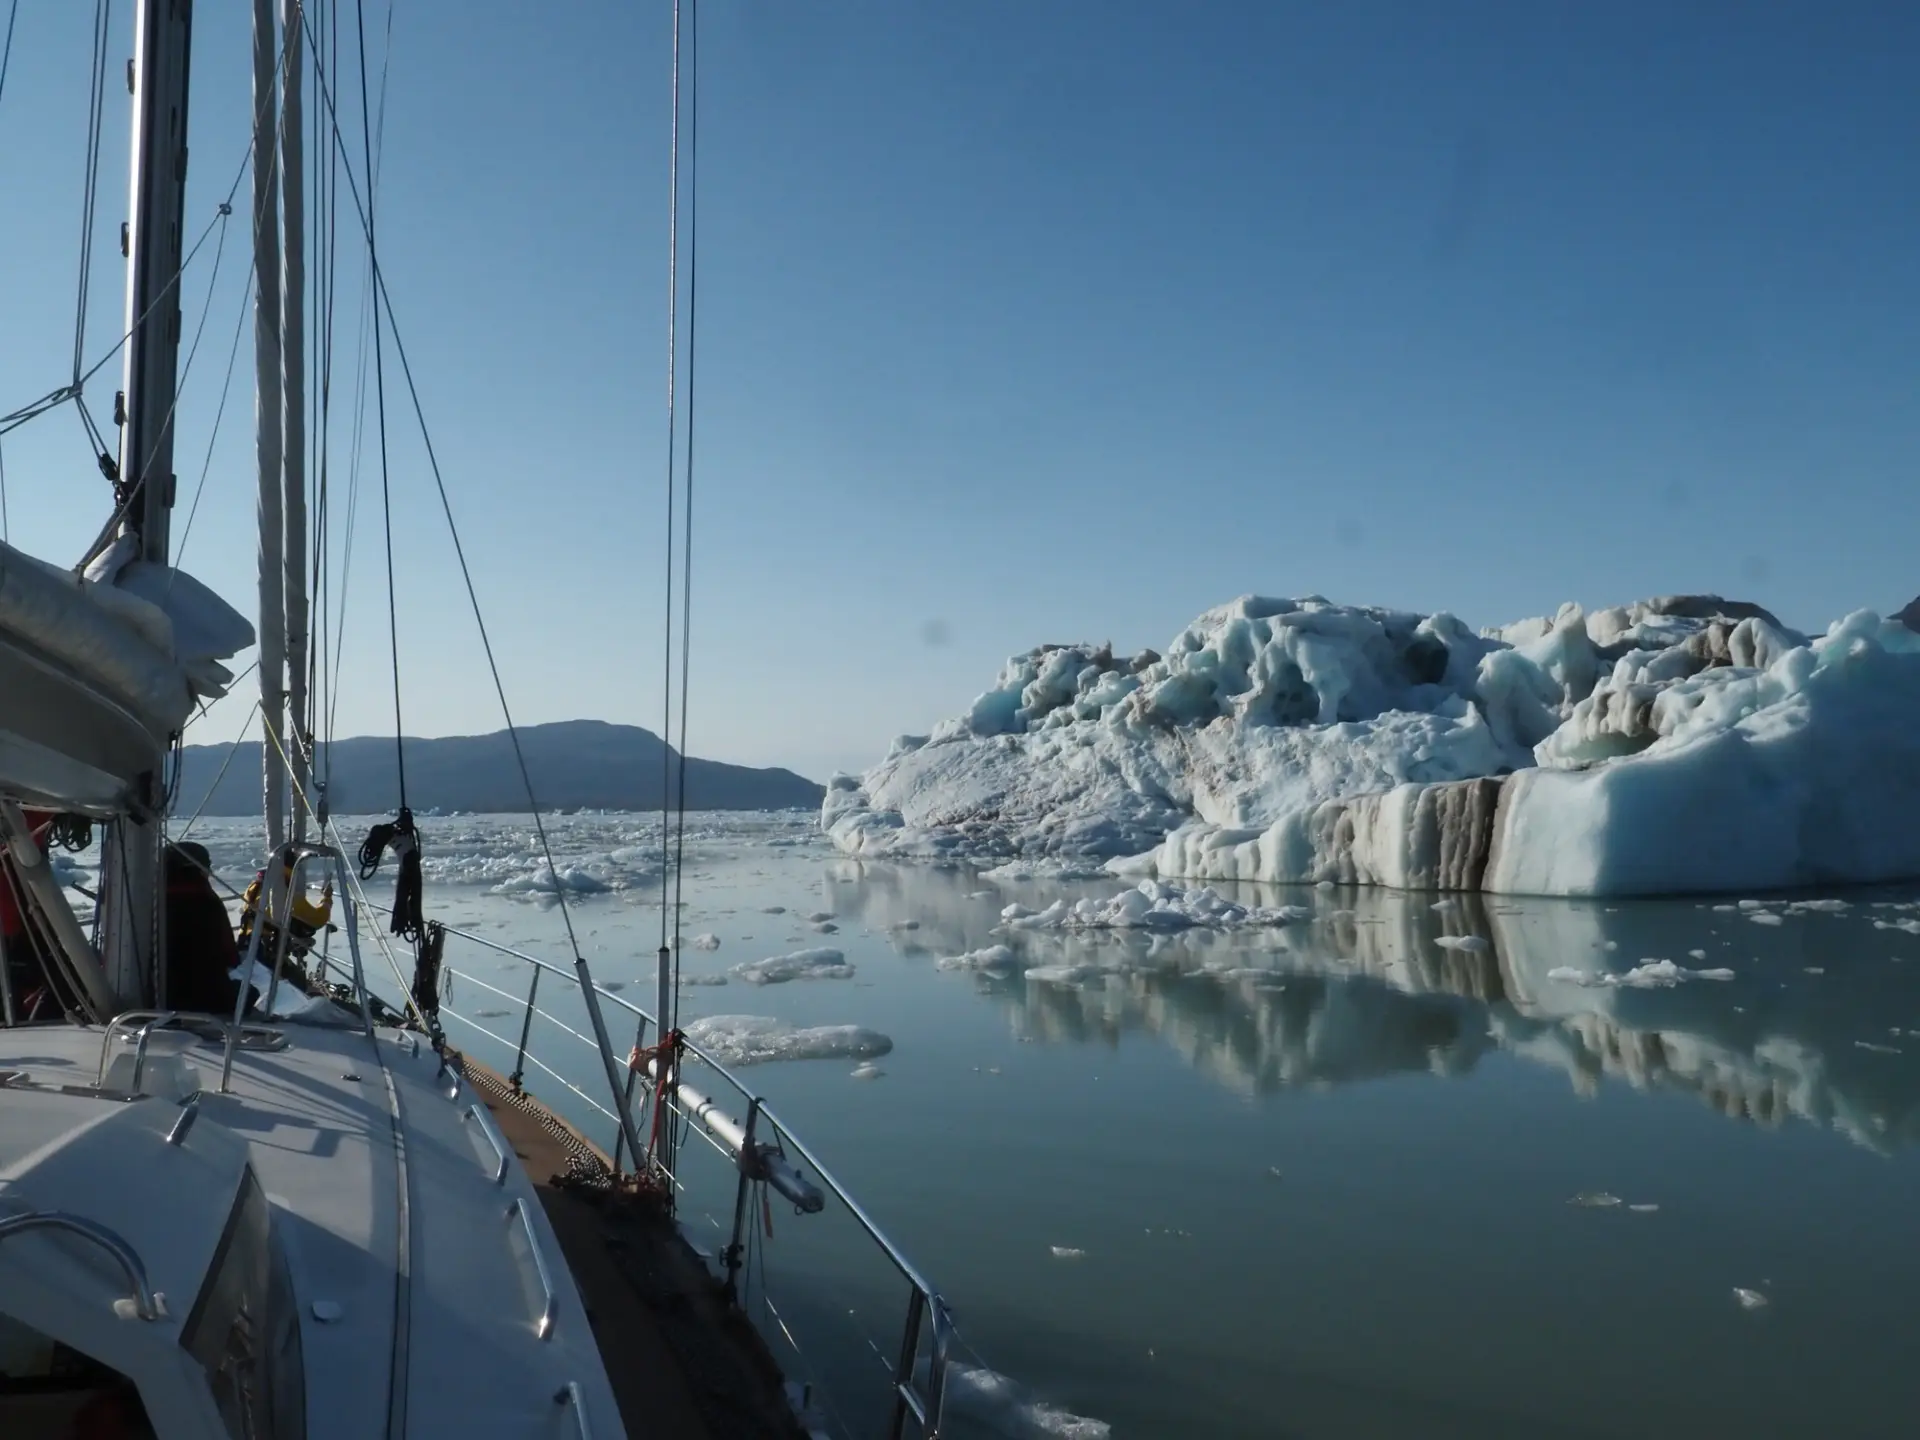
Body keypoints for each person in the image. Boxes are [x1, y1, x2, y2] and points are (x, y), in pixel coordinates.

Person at [164, 841, 251, 1015]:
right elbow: (231, 957)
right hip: (206, 997)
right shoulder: (207, 901)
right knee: (248, 992)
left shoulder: (148, 899)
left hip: (156, 994)